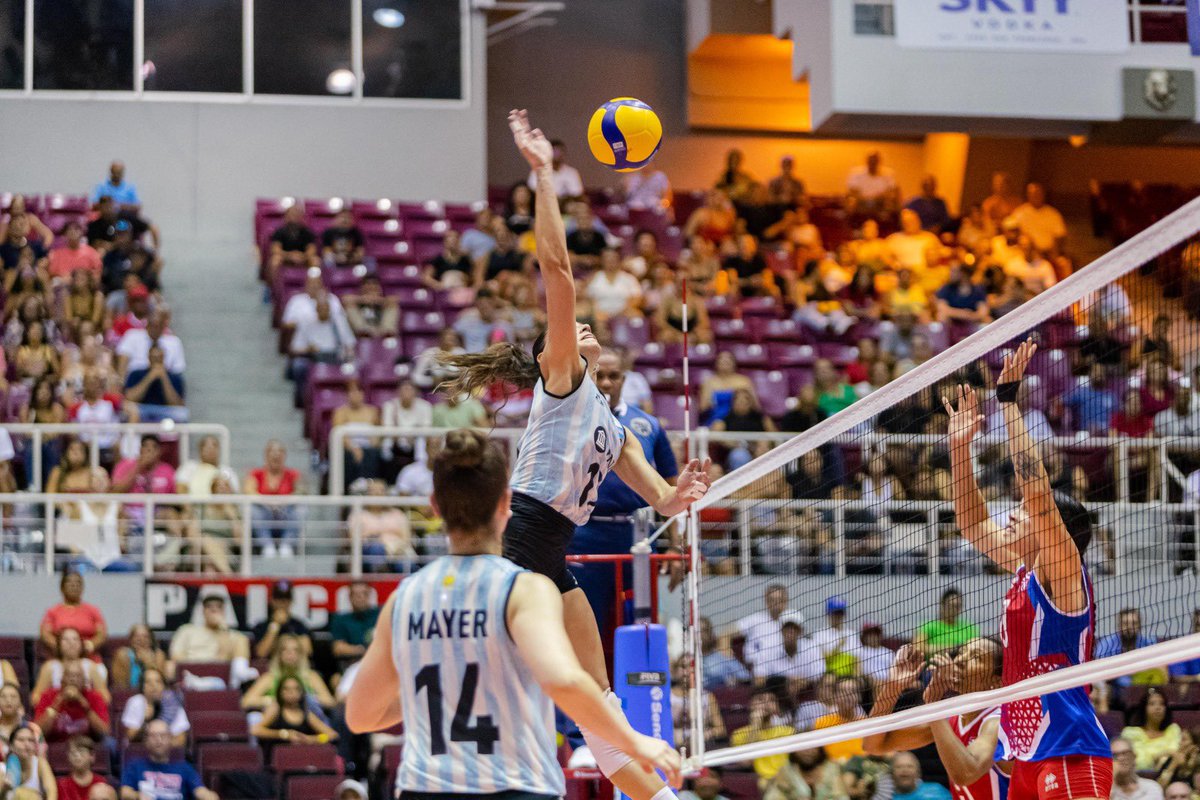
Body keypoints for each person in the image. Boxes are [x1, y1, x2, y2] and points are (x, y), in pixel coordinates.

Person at [421, 111, 701, 800]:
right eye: (565, 325)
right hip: (519, 543)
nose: (572, 327)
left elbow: (653, 489)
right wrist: (543, 174)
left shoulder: (613, 422)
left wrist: (677, 493)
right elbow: (556, 268)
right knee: (543, 692)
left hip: (554, 551)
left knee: (597, 696)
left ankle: (658, 797)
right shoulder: (563, 376)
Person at [344, 427, 680, 797]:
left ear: (434, 505)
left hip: (425, 787)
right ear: (506, 503)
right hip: (514, 786)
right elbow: (564, 682)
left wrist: (442, 692)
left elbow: (360, 716)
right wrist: (635, 742)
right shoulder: (525, 590)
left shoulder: (404, 598)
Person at [944, 338, 1112, 800]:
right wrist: (961, 450)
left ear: (1051, 528)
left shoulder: (1063, 572)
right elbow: (973, 522)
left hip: (1071, 752)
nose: (1014, 513)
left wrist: (1008, 404)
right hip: (1027, 757)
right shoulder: (1022, 570)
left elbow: (1037, 492)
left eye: (1024, 512)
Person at [569, 350, 679, 635]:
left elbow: (670, 484)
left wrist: (676, 544)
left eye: (613, 376)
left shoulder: (649, 425)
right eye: (599, 376)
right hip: (585, 533)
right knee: (586, 624)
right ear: (589, 377)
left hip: (636, 534)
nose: (606, 383)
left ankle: (639, 678)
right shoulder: (571, 420)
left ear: (623, 379)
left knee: (641, 620)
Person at [865, 641, 1008, 800]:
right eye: (961, 652)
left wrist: (933, 705)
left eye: (975, 657)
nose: (960, 660)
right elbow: (874, 745)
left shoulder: (999, 722)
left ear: (996, 682)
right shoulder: (952, 717)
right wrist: (893, 687)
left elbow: (965, 774)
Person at [120, 719, 217, 800]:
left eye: (163, 735)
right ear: (146, 741)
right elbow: (125, 792)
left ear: (170, 739)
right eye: (153, 736)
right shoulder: (134, 766)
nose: (159, 740)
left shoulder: (185, 768)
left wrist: (209, 796)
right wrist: (137, 795)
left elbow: (200, 791)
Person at [241, 633, 335, 711]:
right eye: (285, 650)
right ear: (279, 655)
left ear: (301, 654)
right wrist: (275, 701)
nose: (290, 654)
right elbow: (246, 701)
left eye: (295, 650)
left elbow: (329, 702)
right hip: (275, 722)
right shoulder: (270, 677)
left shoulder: (311, 676)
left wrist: (304, 700)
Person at [245, 440, 302, 557]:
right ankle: (267, 546)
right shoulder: (256, 474)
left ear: (284, 456)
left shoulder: (293, 474)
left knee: (301, 510)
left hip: (285, 513)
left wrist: (283, 502)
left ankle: (287, 545)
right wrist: (268, 502)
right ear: (266, 456)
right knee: (252, 510)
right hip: (264, 513)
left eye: (279, 452)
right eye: (272, 452)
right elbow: (249, 490)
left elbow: (301, 491)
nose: (276, 455)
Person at [33, 661, 109, 743]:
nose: (73, 679)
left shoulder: (95, 697)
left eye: (77, 676)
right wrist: (56, 704)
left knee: (109, 743)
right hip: (55, 743)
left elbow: (104, 732)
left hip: (86, 744)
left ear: (84, 681)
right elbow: (38, 732)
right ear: (62, 680)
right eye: (69, 676)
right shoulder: (48, 695)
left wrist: (85, 706)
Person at [167, 594, 250, 667]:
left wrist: (223, 628)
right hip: (191, 671)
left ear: (224, 611)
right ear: (203, 611)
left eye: (219, 607)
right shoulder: (187, 630)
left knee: (241, 639)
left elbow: (227, 659)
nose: (214, 610)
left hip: (220, 672)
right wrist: (199, 667)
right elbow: (176, 655)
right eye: (209, 606)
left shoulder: (233, 636)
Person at [31, 628, 110, 706]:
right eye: (66, 639)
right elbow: (35, 698)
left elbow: (105, 698)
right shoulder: (49, 667)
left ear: (81, 644)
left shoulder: (91, 666)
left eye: (75, 639)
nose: (71, 643)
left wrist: (86, 701)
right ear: (59, 644)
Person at [40, 573, 106, 657]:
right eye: (70, 583)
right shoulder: (52, 611)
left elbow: (101, 634)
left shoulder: (93, 610)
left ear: (82, 588)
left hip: (88, 657)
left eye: (78, 583)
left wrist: (90, 645)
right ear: (62, 588)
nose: (74, 586)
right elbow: (45, 634)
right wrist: (62, 647)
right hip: (60, 658)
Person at [120, 667, 188, 747]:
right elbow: (131, 737)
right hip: (141, 753)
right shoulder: (135, 702)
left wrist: (159, 747)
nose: (153, 685)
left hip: (167, 755)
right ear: (143, 687)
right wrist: (146, 722)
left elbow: (181, 740)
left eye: (158, 681)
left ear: (164, 686)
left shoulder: (173, 703)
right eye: (148, 682)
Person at [1121, 689, 1182, 772]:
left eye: (1162, 704)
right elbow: (1138, 762)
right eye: (1152, 704)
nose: (1158, 708)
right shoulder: (1131, 732)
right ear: (1144, 708)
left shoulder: (1173, 730)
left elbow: (1176, 754)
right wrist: (1159, 756)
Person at [250, 580, 312, 660]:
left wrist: (290, 632)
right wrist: (275, 625)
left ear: (291, 601)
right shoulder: (262, 626)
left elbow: (308, 651)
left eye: (286, 599)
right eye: (279, 599)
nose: (283, 603)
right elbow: (261, 653)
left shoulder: (299, 625)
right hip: (270, 668)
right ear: (272, 600)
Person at [329, 581, 379, 669]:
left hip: (378, 663)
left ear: (369, 596)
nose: (360, 597)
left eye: (364, 593)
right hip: (351, 665)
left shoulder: (379, 615)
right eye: (355, 594)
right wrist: (362, 650)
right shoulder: (341, 619)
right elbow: (338, 648)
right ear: (350, 597)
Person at [110, 624, 173, 692]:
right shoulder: (123, 655)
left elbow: (161, 682)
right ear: (131, 639)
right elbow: (120, 686)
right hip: (130, 694)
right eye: (137, 636)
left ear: (151, 640)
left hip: (153, 694)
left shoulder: (158, 655)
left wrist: (148, 663)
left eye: (145, 637)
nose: (141, 640)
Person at [1006, 183, 1066, 254]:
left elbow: (1060, 236)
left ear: (1043, 195)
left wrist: (1054, 254)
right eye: (1032, 194)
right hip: (1025, 254)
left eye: (1038, 193)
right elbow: (1009, 228)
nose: (1035, 196)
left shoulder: (1053, 214)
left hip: (1047, 254)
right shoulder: (1019, 213)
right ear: (1028, 195)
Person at [914, 588, 978, 653]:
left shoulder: (969, 628)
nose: (955, 610)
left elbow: (977, 648)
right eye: (952, 605)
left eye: (958, 606)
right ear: (942, 605)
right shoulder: (928, 626)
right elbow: (917, 647)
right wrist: (952, 649)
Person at [4, 724, 56, 800]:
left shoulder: (40, 763)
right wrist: (4, 790)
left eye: (30, 740)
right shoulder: (2, 768)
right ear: (11, 745)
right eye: (21, 740)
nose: (26, 744)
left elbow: (52, 793)